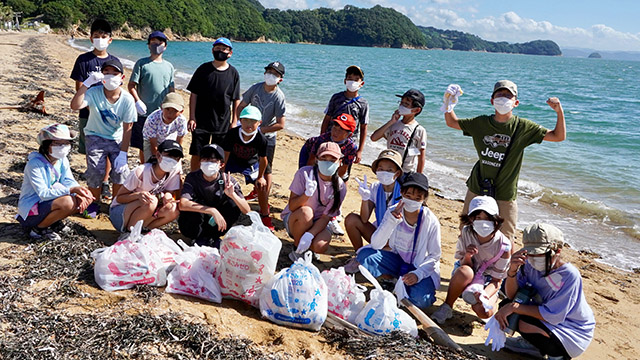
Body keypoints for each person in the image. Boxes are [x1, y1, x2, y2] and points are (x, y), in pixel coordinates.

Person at [443, 80, 565, 244]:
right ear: (492, 101)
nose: (503, 98)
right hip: (477, 187)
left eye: (508, 95)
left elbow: (558, 136)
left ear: (516, 103)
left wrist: (559, 111)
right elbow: (452, 123)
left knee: (505, 240)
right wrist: (448, 104)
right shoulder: (481, 123)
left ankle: (503, 270)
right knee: (467, 232)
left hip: (505, 193)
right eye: (499, 94)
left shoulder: (523, 127)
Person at [493, 223, 595, 359]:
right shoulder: (529, 265)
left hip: (573, 332)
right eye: (530, 253)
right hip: (550, 321)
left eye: (538, 254)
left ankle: (557, 354)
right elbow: (513, 296)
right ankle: (534, 346)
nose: (533, 258)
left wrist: (514, 307)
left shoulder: (569, 275)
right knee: (506, 307)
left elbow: (554, 315)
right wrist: (512, 270)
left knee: (520, 317)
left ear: (557, 251)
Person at [356, 172, 440, 309]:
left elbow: (434, 256)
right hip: (397, 260)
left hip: (419, 267)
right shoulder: (392, 211)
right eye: (408, 196)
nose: (412, 200)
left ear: (424, 199)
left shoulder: (430, 221)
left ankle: (405, 285)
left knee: (421, 301)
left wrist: (417, 275)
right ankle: (392, 280)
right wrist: (391, 221)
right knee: (365, 257)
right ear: (401, 193)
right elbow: (377, 243)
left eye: (418, 198)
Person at [70, 58, 137, 217]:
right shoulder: (94, 92)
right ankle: (93, 203)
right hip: (94, 135)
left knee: (121, 172)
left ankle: (116, 205)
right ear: (101, 75)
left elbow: (128, 128)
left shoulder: (127, 99)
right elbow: (75, 106)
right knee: (95, 171)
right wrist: (86, 84)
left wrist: (123, 153)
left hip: (117, 138)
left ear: (122, 78)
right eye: (106, 73)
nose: (110, 76)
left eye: (115, 73)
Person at [431, 195, 511, 324]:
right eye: (478, 217)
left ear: (496, 220)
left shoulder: (504, 246)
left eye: (488, 218)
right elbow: (463, 263)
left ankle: (487, 301)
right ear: (471, 219)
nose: (483, 222)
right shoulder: (466, 232)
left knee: (484, 312)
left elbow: (497, 281)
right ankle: (447, 306)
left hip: (488, 280)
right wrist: (468, 256)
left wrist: (484, 295)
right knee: (465, 272)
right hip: (467, 272)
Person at [69, 18, 120, 200]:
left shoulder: (114, 61)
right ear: (91, 38)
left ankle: (105, 182)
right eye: (96, 36)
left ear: (110, 39)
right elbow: (79, 86)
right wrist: (90, 106)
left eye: (104, 36)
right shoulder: (84, 60)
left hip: (109, 115)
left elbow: (117, 88)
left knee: (107, 148)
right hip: (87, 112)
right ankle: (94, 188)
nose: (100, 39)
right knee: (91, 151)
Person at [17, 124, 94, 240]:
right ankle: (38, 228)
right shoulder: (34, 165)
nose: (62, 147)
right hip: (31, 210)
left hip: (47, 203)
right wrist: (71, 190)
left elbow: (69, 181)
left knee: (80, 198)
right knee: (68, 202)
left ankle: (53, 222)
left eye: (66, 143)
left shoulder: (62, 160)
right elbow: (43, 193)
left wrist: (80, 192)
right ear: (47, 145)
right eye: (57, 143)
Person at [281, 142, 347, 262]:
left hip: (319, 222)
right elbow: (292, 206)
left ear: (339, 162)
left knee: (320, 245)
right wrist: (306, 195)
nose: (328, 162)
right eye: (324, 158)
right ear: (317, 159)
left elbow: (326, 217)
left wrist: (310, 235)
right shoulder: (304, 174)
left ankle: (308, 247)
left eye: (333, 159)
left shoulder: (340, 186)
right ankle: (297, 250)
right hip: (296, 219)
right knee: (306, 212)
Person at [235, 61, 286, 213]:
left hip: (266, 137)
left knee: (266, 168)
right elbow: (241, 105)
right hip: (249, 133)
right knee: (251, 164)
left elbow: (281, 124)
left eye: (275, 74)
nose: (271, 76)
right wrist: (241, 123)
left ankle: (265, 196)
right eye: (269, 72)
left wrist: (261, 130)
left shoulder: (279, 97)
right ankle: (256, 190)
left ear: (280, 79)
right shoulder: (256, 88)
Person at [343, 149, 404, 273]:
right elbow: (364, 219)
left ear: (397, 174)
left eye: (389, 170)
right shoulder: (375, 187)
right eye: (381, 168)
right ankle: (359, 255)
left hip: (398, 240)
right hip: (380, 234)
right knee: (351, 220)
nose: (384, 172)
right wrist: (365, 199)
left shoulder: (403, 191)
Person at [178, 144, 250, 247]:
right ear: (200, 162)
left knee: (233, 204)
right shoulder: (192, 178)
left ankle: (214, 237)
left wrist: (232, 195)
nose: (208, 163)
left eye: (213, 160)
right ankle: (198, 237)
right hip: (199, 219)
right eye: (205, 159)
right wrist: (211, 210)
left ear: (221, 164)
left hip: (217, 223)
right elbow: (183, 204)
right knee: (190, 208)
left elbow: (246, 210)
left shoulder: (228, 180)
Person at [298, 113, 358, 235]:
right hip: (310, 154)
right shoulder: (322, 140)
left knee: (338, 187)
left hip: (335, 165)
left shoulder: (351, 147)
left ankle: (332, 216)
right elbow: (311, 163)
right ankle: (301, 208)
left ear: (349, 134)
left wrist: (332, 184)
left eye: (341, 129)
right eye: (335, 126)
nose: (336, 131)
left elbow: (342, 170)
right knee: (306, 181)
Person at [186, 37, 240, 171]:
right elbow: (193, 94)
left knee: (219, 154)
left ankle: (217, 180)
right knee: (197, 153)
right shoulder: (203, 69)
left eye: (224, 49)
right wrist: (192, 117)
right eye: (217, 48)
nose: (220, 51)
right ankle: (194, 178)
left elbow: (236, 99)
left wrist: (234, 121)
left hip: (222, 121)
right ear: (212, 50)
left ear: (230, 53)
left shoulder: (233, 73)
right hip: (201, 120)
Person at [109, 140, 183, 233]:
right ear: (158, 155)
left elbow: (168, 191)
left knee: (172, 209)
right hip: (120, 213)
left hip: (145, 211)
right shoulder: (141, 172)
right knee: (151, 201)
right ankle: (130, 232)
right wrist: (138, 195)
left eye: (176, 158)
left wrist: (168, 195)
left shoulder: (174, 173)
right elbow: (119, 198)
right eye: (169, 155)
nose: (172, 160)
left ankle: (144, 230)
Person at [128, 30, 175, 162]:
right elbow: (131, 85)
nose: (156, 45)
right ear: (148, 45)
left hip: (163, 114)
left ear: (165, 46)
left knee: (163, 144)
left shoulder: (169, 66)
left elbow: (171, 89)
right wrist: (137, 101)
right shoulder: (142, 63)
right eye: (153, 42)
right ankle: (145, 169)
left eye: (160, 43)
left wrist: (173, 107)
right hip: (144, 113)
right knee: (144, 146)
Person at [221, 105, 270, 229]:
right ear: (240, 120)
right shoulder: (232, 133)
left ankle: (265, 215)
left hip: (251, 164)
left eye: (253, 121)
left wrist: (260, 177)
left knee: (261, 186)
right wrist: (222, 169)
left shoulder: (261, 139)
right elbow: (226, 153)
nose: (249, 124)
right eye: (246, 120)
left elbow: (263, 159)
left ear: (259, 123)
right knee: (221, 180)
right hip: (232, 161)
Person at [320, 65, 368, 164]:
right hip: (331, 138)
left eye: (356, 80)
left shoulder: (363, 103)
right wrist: (322, 138)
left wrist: (360, 150)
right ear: (345, 81)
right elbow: (327, 119)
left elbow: (363, 127)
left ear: (361, 84)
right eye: (350, 78)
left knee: (343, 170)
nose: (352, 82)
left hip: (349, 144)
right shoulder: (336, 98)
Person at [370, 89, 427, 174]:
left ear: (416, 110)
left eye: (406, 104)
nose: (402, 106)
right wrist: (391, 122)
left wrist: (418, 177)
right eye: (401, 102)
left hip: (405, 171)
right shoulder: (393, 124)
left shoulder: (419, 130)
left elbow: (421, 157)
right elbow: (374, 137)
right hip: (388, 169)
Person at [141, 92, 187, 162]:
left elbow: (179, 139)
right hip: (151, 140)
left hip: (169, 137)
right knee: (150, 162)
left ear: (181, 111)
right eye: (167, 109)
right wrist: (157, 158)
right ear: (162, 107)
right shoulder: (152, 119)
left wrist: (176, 155)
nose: (170, 113)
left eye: (175, 111)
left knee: (173, 162)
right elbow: (153, 144)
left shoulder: (181, 121)